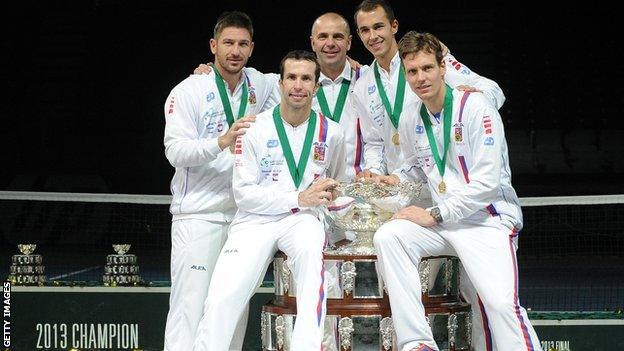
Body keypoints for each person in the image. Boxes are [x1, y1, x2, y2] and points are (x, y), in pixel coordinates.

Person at [372, 31, 542, 351]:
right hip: (445, 223)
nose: (420, 78)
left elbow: (487, 184)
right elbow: (417, 169)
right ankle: (417, 343)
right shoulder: (412, 117)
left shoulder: (476, 106)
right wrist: (393, 180)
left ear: (441, 68)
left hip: (486, 221)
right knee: (390, 236)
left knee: (499, 307)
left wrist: (434, 213)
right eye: (412, 71)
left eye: (427, 68)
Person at [351, 2, 507, 349]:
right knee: (399, 264)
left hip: (461, 193)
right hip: (410, 188)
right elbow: (375, 142)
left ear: (393, 26)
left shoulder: (433, 60)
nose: (373, 36)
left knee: (478, 293)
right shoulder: (362, 86)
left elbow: (493, 95)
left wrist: (458, 91)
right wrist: (380, 176)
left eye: (378, 27)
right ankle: (417, 343)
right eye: (364, 30)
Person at [192, 50, 346, 351]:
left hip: (303, 219)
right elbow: (244, 194)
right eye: (291, 77)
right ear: (281, 84)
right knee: (223, 295)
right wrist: (298, 197)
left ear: (316, 86)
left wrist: (323, 204)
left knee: (313, 270)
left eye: (305, 79)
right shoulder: (253, 130)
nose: (298, 85)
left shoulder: (333, 132)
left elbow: (336, 179)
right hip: (255, 221)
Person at [162, 11, 279, 351]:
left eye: (243, 44)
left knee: (231, 309)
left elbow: (301, 79)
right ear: (214, 45)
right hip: (199, 215)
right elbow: (176, 151)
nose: (235, 51)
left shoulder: (260, 84)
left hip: (244, 218)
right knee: (190, 308)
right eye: (228, 43)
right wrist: (222, 141)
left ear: (252, 48)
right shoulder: (188, 90)